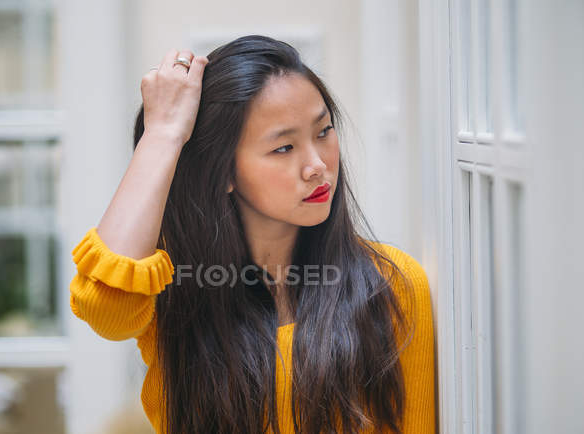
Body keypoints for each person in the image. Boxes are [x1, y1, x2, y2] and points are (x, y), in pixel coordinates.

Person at [69, 35, 436, 434]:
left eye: (323, 131)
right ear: (224, 171)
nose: (317, 165)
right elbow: (106, 309)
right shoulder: (176, 292)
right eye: (284, 148)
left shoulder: (390, 286)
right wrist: (162, 135)